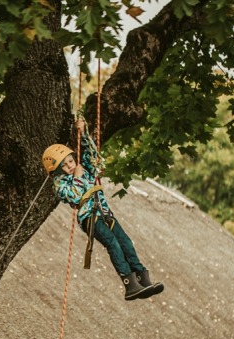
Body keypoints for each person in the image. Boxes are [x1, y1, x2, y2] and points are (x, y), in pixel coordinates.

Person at [42, 117, 164, 301]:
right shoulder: (60, 185)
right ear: (56, 171)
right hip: (89, 218)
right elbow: (75, 195)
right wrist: (77, 176)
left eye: (70, 161)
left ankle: (141, 276)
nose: (69, 166)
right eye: (64, 165)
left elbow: (97, 161)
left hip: (105, 213)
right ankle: (129, 283)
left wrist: (83, 134)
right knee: (112, 244)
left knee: (126, 242)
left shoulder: (83, 168)